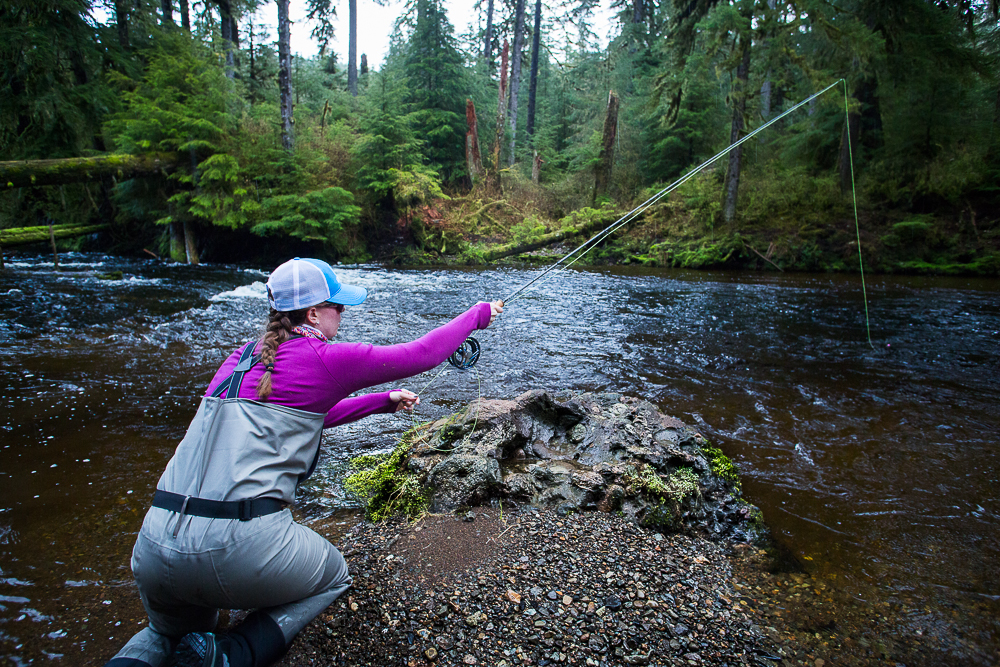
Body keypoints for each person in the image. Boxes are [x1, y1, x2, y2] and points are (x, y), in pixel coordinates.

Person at [104, 257, 503, 667]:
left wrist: (381, 403)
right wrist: (477, 315)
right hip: (234, 550)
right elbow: (420, 354)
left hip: (154, 546)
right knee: (333, 576)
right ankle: (228, 656)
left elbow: (297, 417)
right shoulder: (324, 356)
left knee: (166, 632)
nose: (343, 314)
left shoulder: (239, 359)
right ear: (313, 313)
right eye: (338, 306)